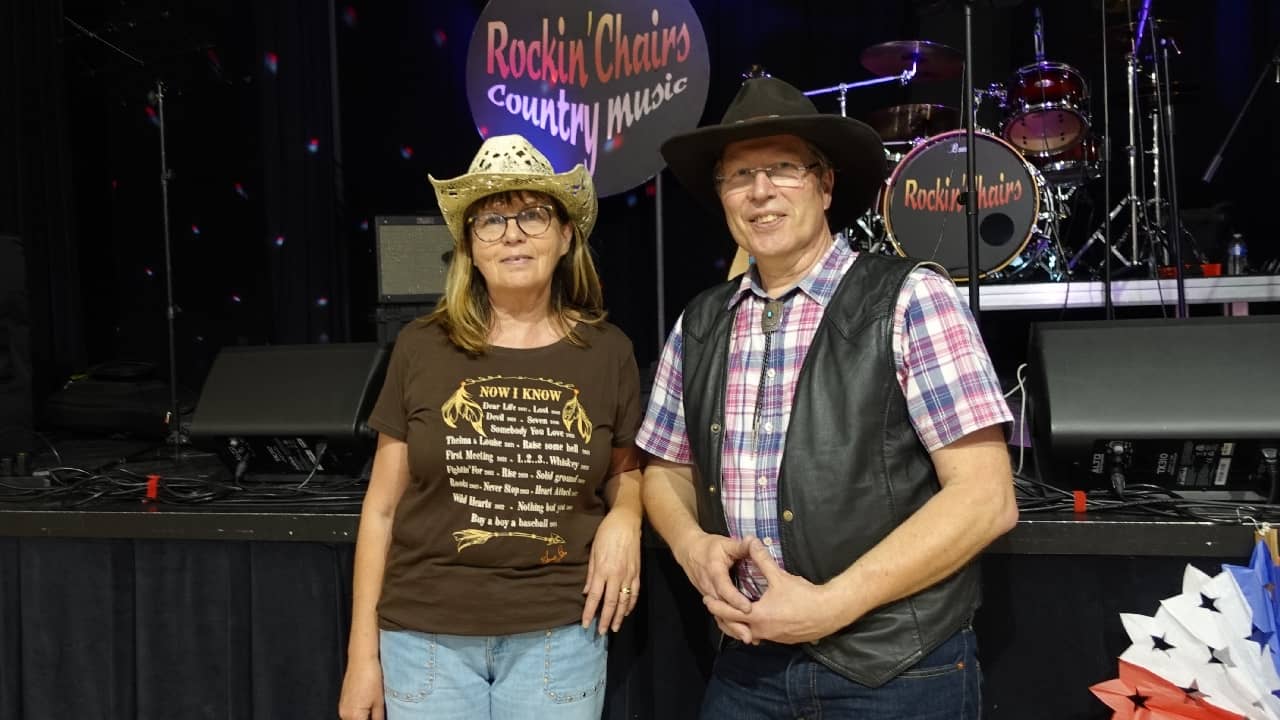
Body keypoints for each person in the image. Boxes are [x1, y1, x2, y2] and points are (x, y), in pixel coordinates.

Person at [637, 75, 1019, 718]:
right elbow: (664, 472)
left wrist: (827, 607)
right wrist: (691, 547)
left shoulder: (911, 299)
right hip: (746, 667)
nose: (760, 192)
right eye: (738, 176)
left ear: (825, 184)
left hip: (895, 672)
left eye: (783, 168)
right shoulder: (700, 324)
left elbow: (986, 499)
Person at [338, 134, 644, 720]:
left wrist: (626, 517)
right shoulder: (420, 347)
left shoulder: (608, 352)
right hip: (423, 640)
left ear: (565, 236)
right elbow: (380, 511)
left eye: (532, 214)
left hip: (560, 637)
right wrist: (361, 657)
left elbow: (625, 471)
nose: (512, 233)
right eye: (491, 220)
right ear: (469, 247)